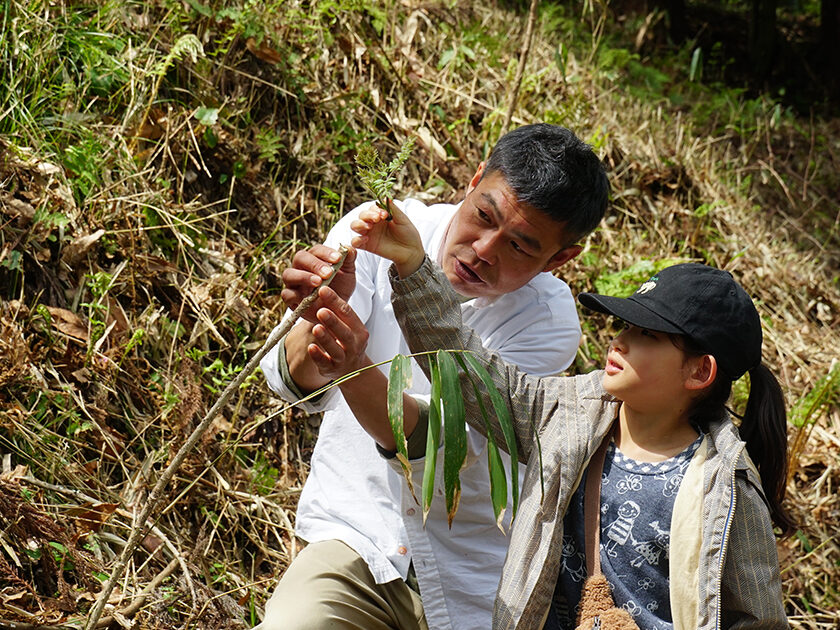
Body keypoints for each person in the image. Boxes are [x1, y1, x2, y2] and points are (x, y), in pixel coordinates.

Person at [306, 202, 793, 629]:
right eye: (625, 325)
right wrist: (414, 267)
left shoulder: (723, 488)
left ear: (699, 371)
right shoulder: (566, 417)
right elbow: (467, 368)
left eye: (648, 336)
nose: (620, 342)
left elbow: (759, 620)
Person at [257, 124, 610, 629]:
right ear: (473, 180)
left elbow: (450, 449)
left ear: (560, 259)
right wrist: (316, 324)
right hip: (358, 537)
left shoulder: (546, 324)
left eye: (520, 247)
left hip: (469, 576)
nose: (484, 249)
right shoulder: (376, 231)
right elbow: (291, 378)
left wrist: (353, 370)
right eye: (483, 216)